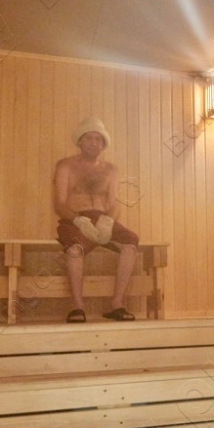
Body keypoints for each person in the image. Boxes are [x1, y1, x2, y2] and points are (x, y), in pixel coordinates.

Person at [54, 116, 140, 322]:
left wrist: (107, 222)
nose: (94, 143)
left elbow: (114, 204)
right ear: (80, 141)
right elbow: (59, 204)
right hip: (74, 220)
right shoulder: (66, 166)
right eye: (89, 138)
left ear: (103, 144)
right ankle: (78, 307)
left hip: (101, 219)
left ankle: (117, 305)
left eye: (98, 139)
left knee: (131, 242)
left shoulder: (110, 170)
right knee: (75, 249)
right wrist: (78, 221)